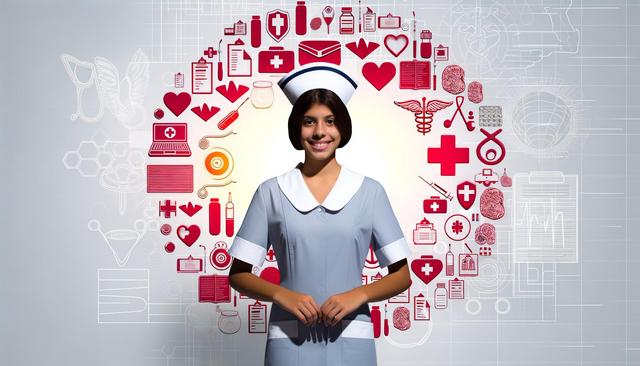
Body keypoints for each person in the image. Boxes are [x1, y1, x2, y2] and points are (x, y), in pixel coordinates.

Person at [228, 63, 412, 366]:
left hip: (353, 337)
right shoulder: (271, 192)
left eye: (330, 121)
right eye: (308, 121)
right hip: (290, 340)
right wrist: (282, 295)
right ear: (296, 128)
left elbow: (402, 276)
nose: (319, 132)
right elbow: (238, 274)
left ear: (342, 128)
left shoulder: (370, 192)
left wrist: (358, 295)